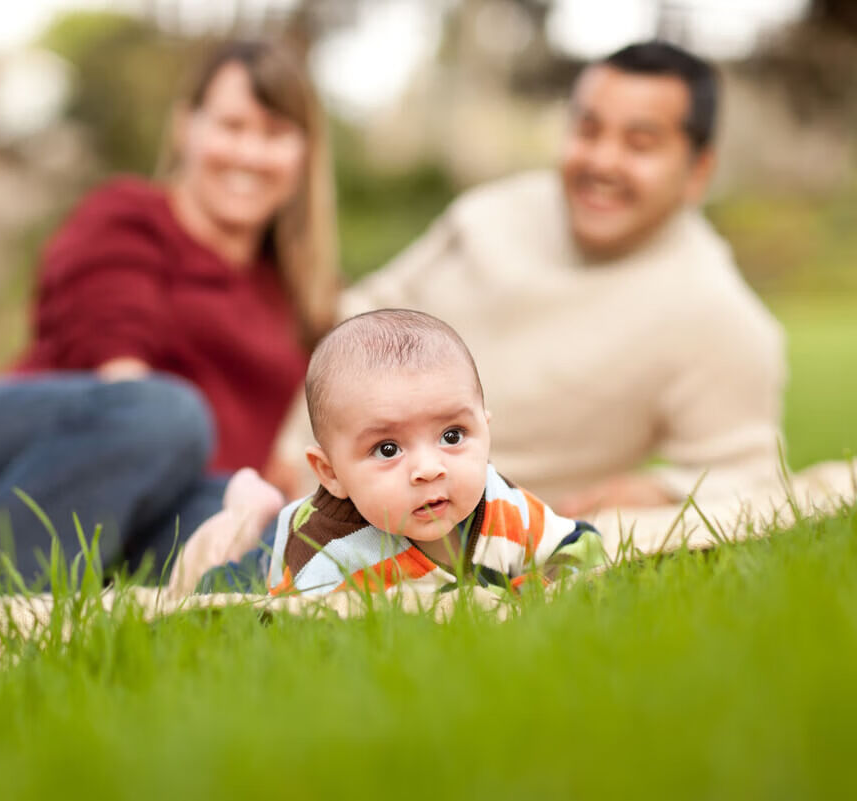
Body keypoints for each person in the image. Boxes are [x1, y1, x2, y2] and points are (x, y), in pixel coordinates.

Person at [0, 38, 339, 610]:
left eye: (274, 134)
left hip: (145, 516)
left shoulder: (300, 292)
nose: (249, 153)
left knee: (281, 543)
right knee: (167, 413)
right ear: (185, 128)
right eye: (232, 126)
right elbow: (122, 381)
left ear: (303, 152)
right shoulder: (128, 218)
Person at [272, 40, 786, 519]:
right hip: (294, 466)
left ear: (698, 170)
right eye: (588, 130)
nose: (603, 160)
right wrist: (285, 449)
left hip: (436, 529)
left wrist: (657, 491)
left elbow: (752, 474)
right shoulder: (491, 213)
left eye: (640, 143)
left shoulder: (714, 312)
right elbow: (363, 313)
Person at [181, 310, 605, 598]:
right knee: (211, 584)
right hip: (282, 549)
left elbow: (580, 546)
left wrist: (543, 589)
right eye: (388, 449)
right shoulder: (328, 557)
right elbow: (296, 633)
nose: (428, 469)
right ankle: (246, 516)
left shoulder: (503, 508)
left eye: (453, 436)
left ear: (485, 429)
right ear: (330, 473)